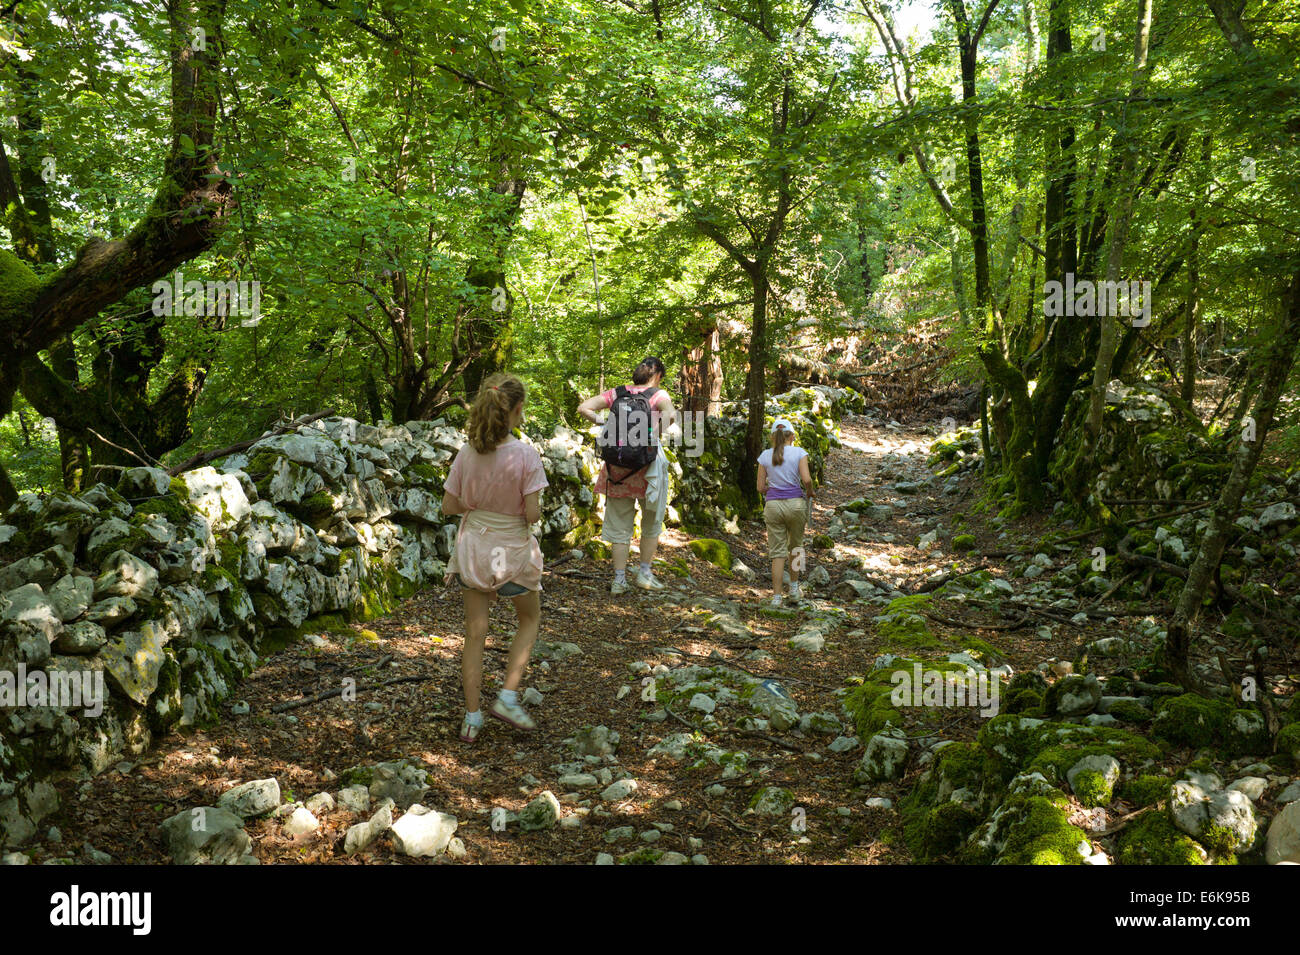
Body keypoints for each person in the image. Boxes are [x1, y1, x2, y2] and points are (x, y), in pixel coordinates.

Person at [442, 373, 549, 743]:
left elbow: (448, 505)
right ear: (516, 410)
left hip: (474, 550)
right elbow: (533, 514)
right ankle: (506, 697)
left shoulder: (466, 454)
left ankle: (471, 719)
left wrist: (477, 504)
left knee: (475, 634)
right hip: (513, 552)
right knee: (529, 619)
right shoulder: (525, 454)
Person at [577, 357, 678, 594]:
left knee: (620, 525)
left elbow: (583, 407)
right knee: (651, 522)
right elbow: (671, 416)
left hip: (618, 468)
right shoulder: (658, 395)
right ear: (658, 376)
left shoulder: (617, 393)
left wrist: (607, 425)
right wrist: (653, 435)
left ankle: (619, 580)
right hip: (647, 468)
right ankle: (644, 574)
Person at [756, 418, 813, 607]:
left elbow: (759, 487)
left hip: (773, 506)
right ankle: (795, 589)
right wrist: (810, 491)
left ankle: (777, 597)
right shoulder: (799, 453)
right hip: (796, 505)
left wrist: (772, 489)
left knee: (777, 553)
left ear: (772, 437)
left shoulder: (765, 455)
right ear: (793, 436)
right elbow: (806, 479)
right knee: (796, 547)